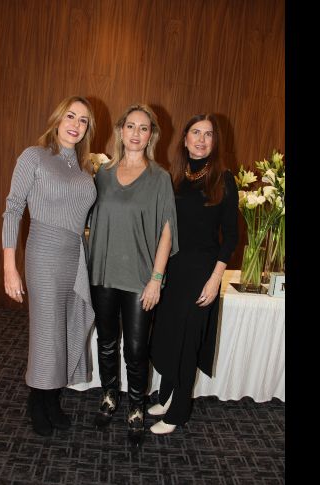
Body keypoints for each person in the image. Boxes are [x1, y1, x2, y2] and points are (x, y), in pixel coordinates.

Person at [2, 95, 98, 437]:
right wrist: (9, 267)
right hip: (43, 252)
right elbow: (13, 209)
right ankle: (38, 400)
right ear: (58, 118)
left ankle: (53, 397)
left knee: (68, 326)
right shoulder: (34, 156)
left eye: (83, 120)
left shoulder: (85, 168)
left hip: (76, 255)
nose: (76, 124)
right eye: (71, 116)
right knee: (47, 332)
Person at [87, 104, 178, 447]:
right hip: (103, 273)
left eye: (143, 128)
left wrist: (157, 278)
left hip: (140, 277)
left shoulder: (160, 177)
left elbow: (167, 232)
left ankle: (137, 407)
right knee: (107, 342)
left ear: (151, 135)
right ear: (120, 131)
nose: (136, 133)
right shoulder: (103, 173)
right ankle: (110, 396)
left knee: (137, 349)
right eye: (130, 126)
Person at [148, 114, 239, 434]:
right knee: (169, 334)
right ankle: (166, 396)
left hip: (202, 271)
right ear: (185, 139)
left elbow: (230, 236)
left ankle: (178, 413)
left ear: (215, 142)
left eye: (208, 134)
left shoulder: (223, 179)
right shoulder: (174, 177)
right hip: (173, 268)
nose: (201, 139)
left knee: (187, 342)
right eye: (196, 133)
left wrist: (215, 279)